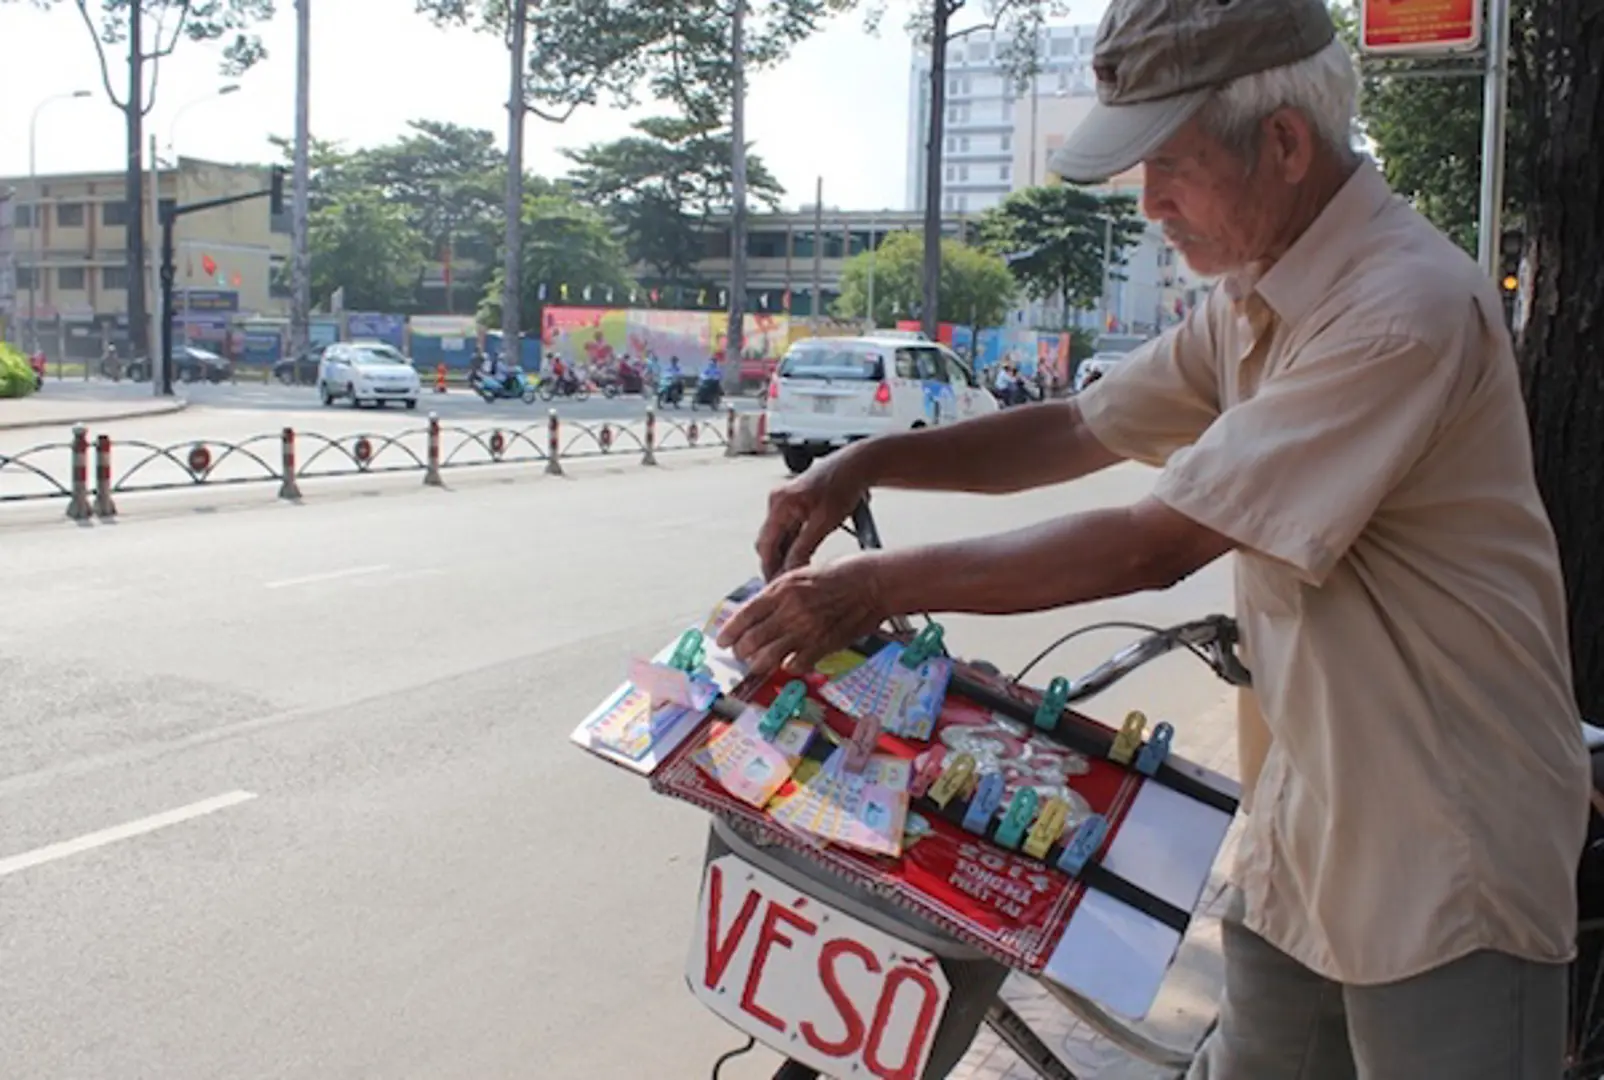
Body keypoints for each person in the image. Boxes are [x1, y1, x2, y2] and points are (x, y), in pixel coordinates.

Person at [716, 1, 1588, 1077]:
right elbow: (1079, 426)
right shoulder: (1257, 298)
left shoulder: (1395, 310)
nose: (1150, 203)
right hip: (1306, 818)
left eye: (1169, 164)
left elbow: (1152, 544)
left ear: (1281, 144)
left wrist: (866, 589)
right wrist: (866, 461)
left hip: (1443, 842)